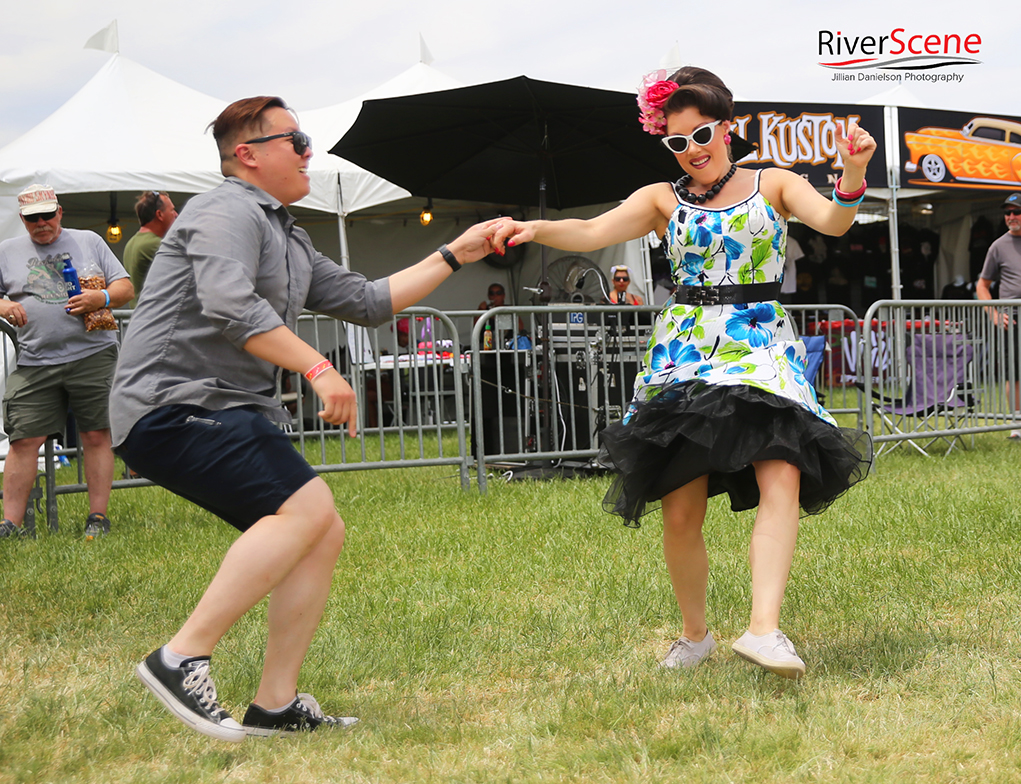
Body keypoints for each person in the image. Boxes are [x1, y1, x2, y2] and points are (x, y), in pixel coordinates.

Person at [111, 96, 499, 740]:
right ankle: (181, 657)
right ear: (249, 154)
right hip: (174, 402)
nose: (308, 152)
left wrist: (456, 252)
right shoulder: (224, 209)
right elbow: (228, 304)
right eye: (297, 140)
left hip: (226, 407)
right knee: (309, 511)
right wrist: (320, 369)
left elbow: (367, 300)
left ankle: (275, 704)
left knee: (321, 530)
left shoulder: (285, 232)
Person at [491, 67, 874, 679]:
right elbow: (592, 231)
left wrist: (852, 173)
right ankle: (694, 637)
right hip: (687, 350)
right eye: (677, 141)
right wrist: (534, 228)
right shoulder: (660, 200)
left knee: (783, 473)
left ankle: (765, 631)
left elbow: (833, 221)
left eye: (702, 134)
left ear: (727, 128)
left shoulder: (773, 183)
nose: (692, 150)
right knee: (679, 508)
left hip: (759, 344)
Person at [0, 184, 133, 540]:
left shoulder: (89, 240)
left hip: (93, 353)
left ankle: (98, 517)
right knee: (24, 439)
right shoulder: (6, 251)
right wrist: (3, 305)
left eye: (47, 215)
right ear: (23, 219)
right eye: (32, 218)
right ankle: (9, 524)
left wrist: (100, 296)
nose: (41, 223)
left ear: (59, 212)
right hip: (34, 360)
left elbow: (125, 288)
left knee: (95, 433)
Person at [976, 192, 1021, 439]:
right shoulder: (998, 245)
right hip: (1011, 317)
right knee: (1014, 373)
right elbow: (982, 285)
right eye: (1008, 212)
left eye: (1016, 212)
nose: (1011, 217)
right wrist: (993, 313)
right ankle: (1016, 425)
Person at [122, 190, 178, 306]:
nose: (176, 215)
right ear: (159, 215)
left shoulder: (133, 241)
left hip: (141, 316)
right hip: (155, 318)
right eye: (172, 210)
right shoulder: (154, 244)